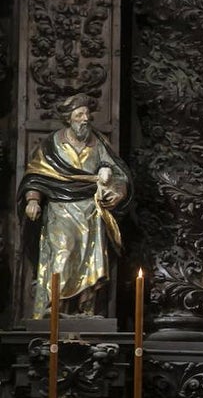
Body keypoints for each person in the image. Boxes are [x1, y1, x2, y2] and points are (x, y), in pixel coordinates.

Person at [19, 95, 131, 318]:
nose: (85, 119)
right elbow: (37, 175)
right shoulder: (52, 144)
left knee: (92, 260)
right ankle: (55, 307)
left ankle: (86, 308)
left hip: (90, 210)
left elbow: (119, 174)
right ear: (68, 118)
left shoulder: (98, 144)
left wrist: (115, 190)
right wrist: (33, 199)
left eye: (87, 115)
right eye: (79, 115)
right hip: (60, 209)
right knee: (62, 253)